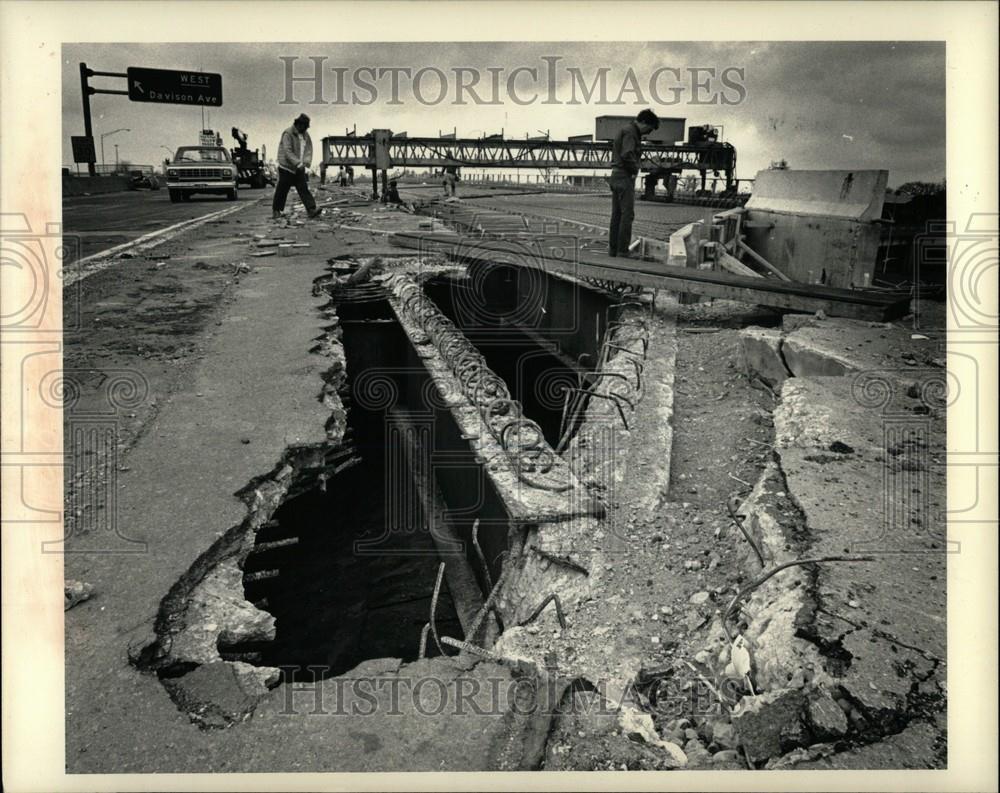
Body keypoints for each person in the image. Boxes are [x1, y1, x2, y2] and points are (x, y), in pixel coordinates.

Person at [608, 109, 659, 257]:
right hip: (624, 177)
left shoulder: (626, 130)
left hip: (616, 175)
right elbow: (627, 154)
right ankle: (623, 250)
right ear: (644, 122)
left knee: (616, 215)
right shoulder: (631, 133)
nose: (647, 134)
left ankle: (613, 250)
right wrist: (635, 169)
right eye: (648, 129)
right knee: (627, 215)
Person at [273, 113, 322, 220]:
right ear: (299, 124)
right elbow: (287, 151)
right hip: (286, 167)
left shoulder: (305, 135)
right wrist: (297, 163)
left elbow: (309, 149)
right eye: (304, 127)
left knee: (303, 189)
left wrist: (306, 162)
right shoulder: (287, 134)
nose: (305, 129)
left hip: (298, 168)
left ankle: (311, 210)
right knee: (282, 189)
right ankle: (276, 211)